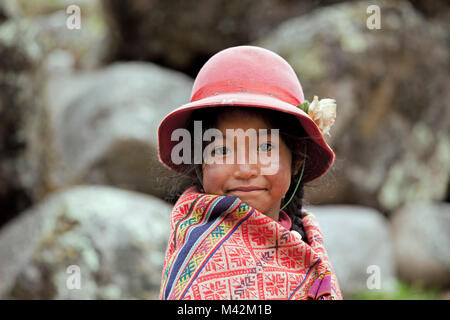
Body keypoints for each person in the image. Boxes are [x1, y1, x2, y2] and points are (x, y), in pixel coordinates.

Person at [157, 45, 342, 300]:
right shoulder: (199, 255)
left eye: (265, 147)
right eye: (222, 150)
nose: (245, 170)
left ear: (297, 158)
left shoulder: (309, 245)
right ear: (200, 162)